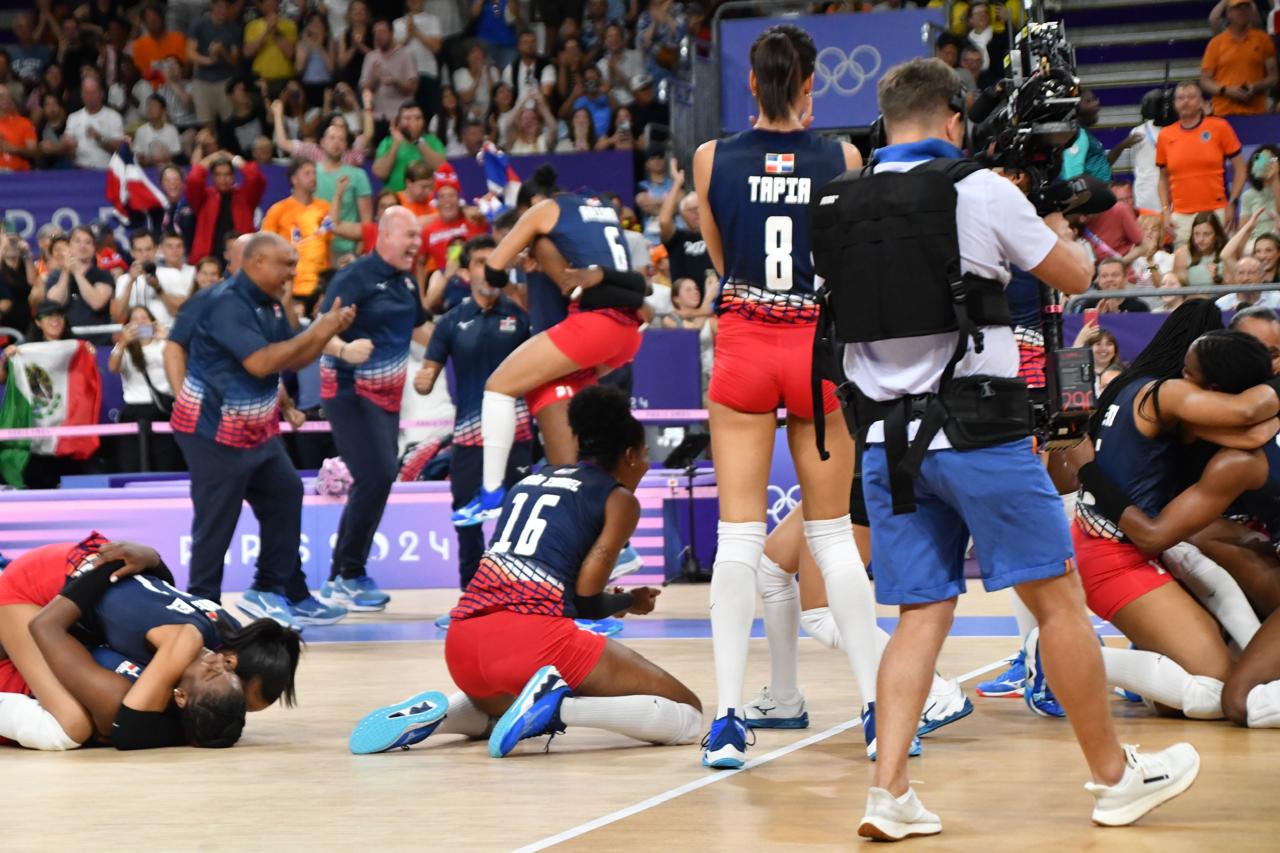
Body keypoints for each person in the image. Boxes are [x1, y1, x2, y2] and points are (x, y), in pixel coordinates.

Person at [825, 58, 1198, 840]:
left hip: (885, 440)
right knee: (1056, 598)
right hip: (980, 429)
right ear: (954, 117)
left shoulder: (840, 200)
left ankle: (887, 791)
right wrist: (1052, 217)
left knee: (920, 613)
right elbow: (1076, 271)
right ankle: (1113, 777)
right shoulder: (980, 189)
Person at [691, 25, 876, 770]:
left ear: (751, 87)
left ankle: (730, 719)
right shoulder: (844, 157)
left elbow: (719, 255)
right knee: (832, 540)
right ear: (810, 87)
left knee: (738, 539)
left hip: (744, 339)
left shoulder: (710, 157)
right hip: (814, 345)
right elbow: (852, 256)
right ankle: (875, 709)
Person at [349, 387, 703, 756]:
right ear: (630, 455)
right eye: (645, 456)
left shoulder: (528, 481)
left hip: (463, 646)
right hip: (532, 642)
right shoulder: (620, 499)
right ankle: (559, 708)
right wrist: (631, 600)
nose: (646, 465)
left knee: (500, 711)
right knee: (689, 714)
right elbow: (583, 601)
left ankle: (442, 716)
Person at [1074, 308, 1280, 722]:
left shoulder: (1161, 395)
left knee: (1197, 696)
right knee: (1219, 693)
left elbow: (1248, 425)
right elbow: (1248, 420)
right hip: (1116, 549)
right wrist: (1091, 472)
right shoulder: (1172, 397)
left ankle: (1160, 658)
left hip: (1134, 541)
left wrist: (1088, 469)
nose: (1181, 378)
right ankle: (1060, 656)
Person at [171, 232, 355, 627]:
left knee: (285, 493)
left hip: (256, 427)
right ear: (256, 264)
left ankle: (276, 590)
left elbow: (293, 355)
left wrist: (321, 334)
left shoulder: (269, 303)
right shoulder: (225, 304)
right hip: (213, 430)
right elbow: (260, 362)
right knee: (216, 519)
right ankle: (202, 609)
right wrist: (319, 332)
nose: (294, 270)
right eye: (286, 263)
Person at [450, 171, 648, 527]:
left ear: (530, 204)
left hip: (591, 327)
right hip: (624, 333)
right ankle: (614, 544)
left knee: (497, 387)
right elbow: (631, 284)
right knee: (571, 468)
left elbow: (494, 272)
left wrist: (521, 255)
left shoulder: (543, 212)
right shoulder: (602, 208)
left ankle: (491, 494)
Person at [0, 537, 245, 750]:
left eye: (212, 673)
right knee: (73, 723)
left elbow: (46, 628)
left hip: (48, 603)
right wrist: (150, 560)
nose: (217, 658)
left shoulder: (123, 696)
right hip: (54, 584)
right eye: (227, 667)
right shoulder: (175, 649)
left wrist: (117, 568)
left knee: (72, 726)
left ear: (181, 697)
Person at [313, 208, 429, 611]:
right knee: (377, 473)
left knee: (377, 477)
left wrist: (458, 349)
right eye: (410, 235)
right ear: (385, 235)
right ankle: (347, 574)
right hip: (348, 391)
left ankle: (341, 577)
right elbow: (317, 331)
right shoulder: (354, 277)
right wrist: (344, 348)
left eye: (419, 236)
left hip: (387, 395)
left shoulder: (406, 283)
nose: (417, 243)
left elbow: (421, 329)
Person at [415, 236, 532, 595]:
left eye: (495, 261)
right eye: (482, 262)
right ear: (465, 272)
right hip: (468, 437)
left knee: (513, 518)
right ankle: (473, 595)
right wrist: (423, 379)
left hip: (517, 434)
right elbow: (427, 375)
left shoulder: (519, 316)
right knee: (466, 519)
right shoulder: (451, 321)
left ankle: (513, 595)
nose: (490, 269)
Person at [1157, 81, 1245, 245]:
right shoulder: (1165, 135)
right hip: (1181, 217)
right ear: (1175, 104)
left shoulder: (1220, 127)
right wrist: (1165, 211)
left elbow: (1241, 168)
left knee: (1223, 266)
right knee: (1183, 268)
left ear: (1202, 102)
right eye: (1180, 98)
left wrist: (1232, 202)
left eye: (1191, 97)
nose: (1185, 101)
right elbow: (1162, 179)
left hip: (1217, 212)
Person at [109, 305, 180, 472]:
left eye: (144, 318)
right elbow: (113, 368)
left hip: (162, 409)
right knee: (133, 464)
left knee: (165, 464)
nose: (140, 322)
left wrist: (168, 338)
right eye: (135, 319)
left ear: (153, 322)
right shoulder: (125, 349)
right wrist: (122, 342)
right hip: (135, 410)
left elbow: (182, 364)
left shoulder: (165, 345)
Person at [261, 158, 333, 302]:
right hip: (290, 287)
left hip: (320, 287)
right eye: (307, 174)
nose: (313, 177)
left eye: (314, 173)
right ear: (294, 179)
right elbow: (265, 248)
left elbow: (329, 243)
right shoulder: (278, 210)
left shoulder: (325, 208)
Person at [33, 224, 113, 342]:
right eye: (77, 241)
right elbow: (54, 303)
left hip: (99, 341)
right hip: (66, 343)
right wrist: (66, 271)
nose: (82, 246)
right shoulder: (55, 276)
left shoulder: (103, 275)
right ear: (69, 246)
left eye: (88, 242)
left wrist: (76, 272)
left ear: (94, 248)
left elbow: (97, 303)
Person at [186, 153, 267, 265]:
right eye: (218, 175)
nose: (223, 179)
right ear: (212, 177)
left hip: (242, 261)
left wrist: (234, 159)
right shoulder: (203, 198)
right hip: (209, 262)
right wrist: (211, 158)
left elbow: (256, 177)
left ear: (233, 176)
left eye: (227, 174)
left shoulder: (245, 197)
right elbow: (193, 180)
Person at [1200, 0, 1277, 117]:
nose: (1242, 11)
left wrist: (1256, 87)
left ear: (1252, 11)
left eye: (1246, 7)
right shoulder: (1216, 43)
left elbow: (1273, 76)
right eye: (1238, 7)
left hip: (1257, 113)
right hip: (1223, 113)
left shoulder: (1263, 40)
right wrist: (1226, 90)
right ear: (1228, 13)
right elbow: (1205, 81)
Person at [188, 0, 241, 126]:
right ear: (213, 6)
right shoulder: (198, 25)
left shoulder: (234, 28)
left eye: (226, 7)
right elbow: (190, 53)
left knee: (229, 121)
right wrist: (209, 60)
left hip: (226, 80)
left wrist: (222, 51)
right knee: (206, 123)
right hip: (202, 80)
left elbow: (234, 60)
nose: (223, 10)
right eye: (219, 6)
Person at [372, 100, 445, 192]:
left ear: (423, 121)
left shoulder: (432, 141)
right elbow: (380, 173)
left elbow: (441, 169)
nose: (413, 122)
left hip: (426, 199)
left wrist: (418, 140)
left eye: (418, 118)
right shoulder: (387, 142)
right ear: (398, 122)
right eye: (407, 118)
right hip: (396, 199)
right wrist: (396, 144)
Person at [361, 20, 418, 126]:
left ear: (391, 33)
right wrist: (376, 78)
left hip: (401, 118)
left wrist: (396, 82)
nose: (378, 36)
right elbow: (364, 90)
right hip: (378, 117)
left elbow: (413, 88)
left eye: (382, 32)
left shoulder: (406, 54)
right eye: (375, 33)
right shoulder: (370, 57)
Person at [63, 77, 123, 170]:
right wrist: (67, 145)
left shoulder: (113, 117)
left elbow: (120, 148)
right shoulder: (73, 118)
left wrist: (100, 139)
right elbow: (66, 145)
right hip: (79, 169)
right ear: (82, 95)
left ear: (101, 94)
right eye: (86, 93)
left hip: (105, 169)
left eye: (93, 93)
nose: (90, 97)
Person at [243, 0, 298, 96]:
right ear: (261, 5)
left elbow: (291, 54)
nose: (270, 4)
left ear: (278, 4)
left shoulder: (290, 25)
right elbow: (247, 53)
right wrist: (266, 31)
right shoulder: (252, 26)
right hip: (261, 81)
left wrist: (276, 32)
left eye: (273, 1)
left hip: (284, 80)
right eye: (267, 2)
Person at [1174, 211, 1229, 287]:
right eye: (1196, 234)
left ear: (1216, 235)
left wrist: (1217, 279)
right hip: (1193, 298)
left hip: (1220, 298)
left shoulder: (1227, 253)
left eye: (1206, 234)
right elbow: (1178, 288)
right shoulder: (1182, 254)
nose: (1200, 239)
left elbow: (1234, 287)